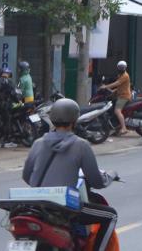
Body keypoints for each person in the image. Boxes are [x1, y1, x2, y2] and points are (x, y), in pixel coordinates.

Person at [23, 98, 118, 251]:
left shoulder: (38, 143)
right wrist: (111, 175)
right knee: (111, 215)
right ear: (74, 120)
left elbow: (26, 176)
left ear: (52, 119)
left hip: (34, 207)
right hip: (64, 208)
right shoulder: (81, 145)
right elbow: (96, 181)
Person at [102, 61, 131, 137]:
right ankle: (117, 128)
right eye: (120, 67)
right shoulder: (120, 75)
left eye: (122, 67)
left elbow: (117, 83)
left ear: (125, 68)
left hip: (124, 96)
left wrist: (106, 86)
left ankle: (124, 128)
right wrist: (112, 91)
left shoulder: (125, 75)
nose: (121, 68)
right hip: (119, 95)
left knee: (117, 111)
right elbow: (120, 86)